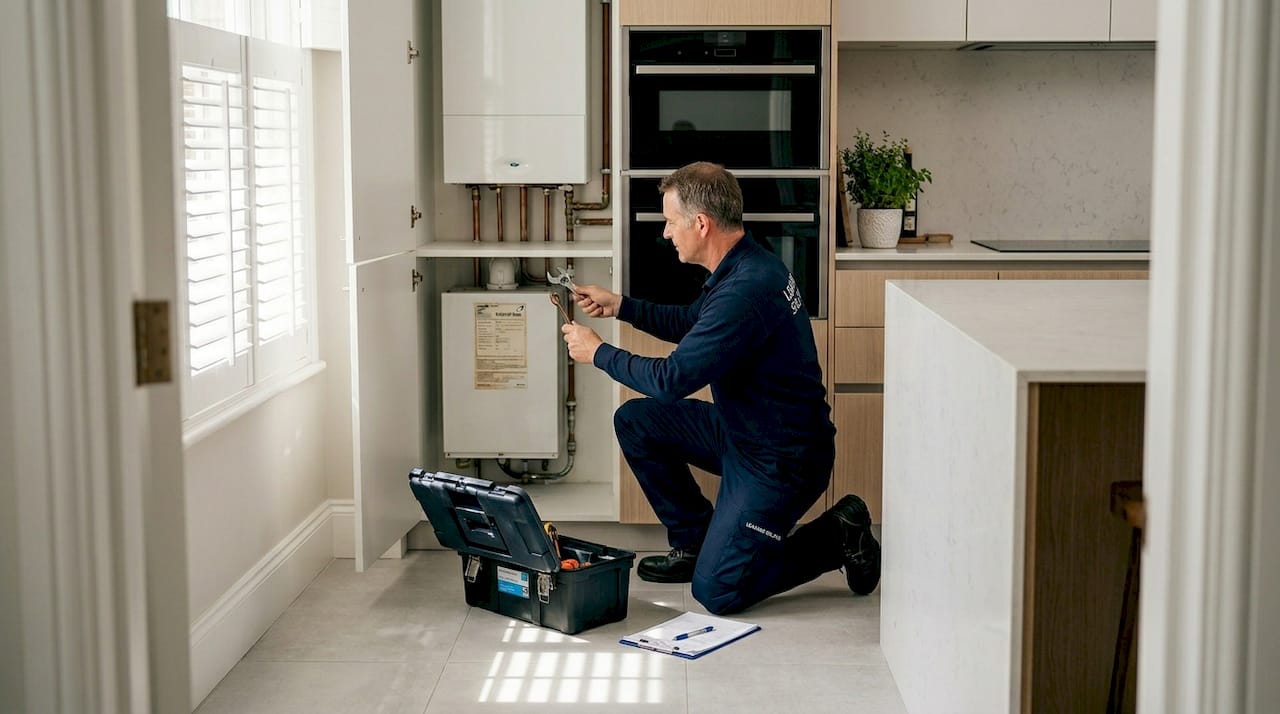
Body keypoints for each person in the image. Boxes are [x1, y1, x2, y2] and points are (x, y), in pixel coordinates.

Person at [560, 161, 881, 615]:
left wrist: (598, 353)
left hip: (780, 462)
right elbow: (694, 324)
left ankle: (838, 535)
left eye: (671, 222)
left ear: (701, 223)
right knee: (636, 421)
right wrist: (622, 307)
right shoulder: (746, 264)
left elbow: (672, 381)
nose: (667, 233)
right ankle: (694, 544)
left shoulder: (746, 289)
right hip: (743, 432)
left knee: (718, 592)